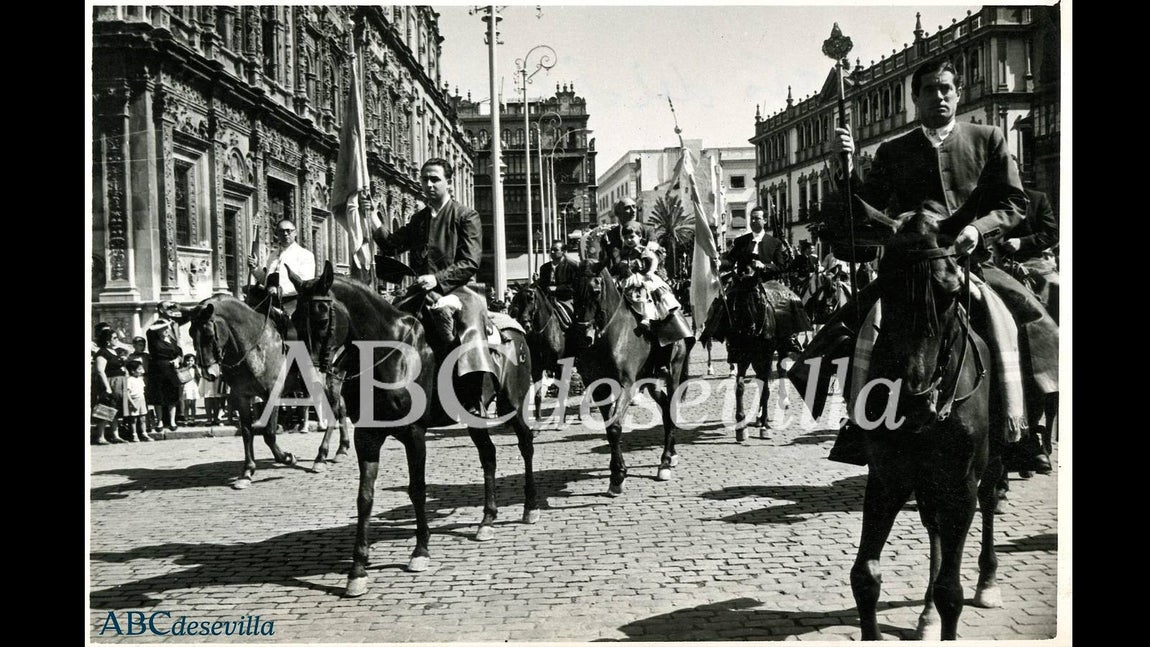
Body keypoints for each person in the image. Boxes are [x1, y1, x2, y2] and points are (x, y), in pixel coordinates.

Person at [803, 57, 1056, 471]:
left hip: (970, 260)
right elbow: (859, 210)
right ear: (915, 99)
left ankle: (1023, 431)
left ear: (957, 94)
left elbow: (1013, 203)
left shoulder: (988, 138)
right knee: (851, 328)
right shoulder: (893, 150)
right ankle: (861, 421)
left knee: (1024, 322)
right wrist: (842, 167)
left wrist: (980, 229)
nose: (938, 96)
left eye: (946, 89)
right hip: (912, 265)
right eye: (929, 90)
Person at [368, 158, 495, 418]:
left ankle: (473, 394)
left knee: (469, 328)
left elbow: (470, 262)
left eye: (435, 179)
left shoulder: (465, 216)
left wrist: (437, 279)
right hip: (421, 290)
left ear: (449, 182)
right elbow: (391, 245)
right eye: (425, 179)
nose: (428, 184)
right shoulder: (419, 219)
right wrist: (371, 215)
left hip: (459, 289)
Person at [997, 187, 1059, 322]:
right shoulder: (986, 199)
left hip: (1033, 261)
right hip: (998, 264)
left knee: (1057, 293)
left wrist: (1022, 242)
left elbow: (1052, 234)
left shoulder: (1037, 198)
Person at [617, 220, 682, 329]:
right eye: (626, 237)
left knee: (646, 295)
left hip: (643, 277)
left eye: (632, 237)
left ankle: (647, 318)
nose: (629, 240)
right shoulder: (624, 252)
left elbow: (654, 260)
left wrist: (651, 271)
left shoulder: (643, 250)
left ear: (639, 236)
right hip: (629, 278)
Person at [247, 218, 317, 316]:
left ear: (295, 232)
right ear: (277, 234)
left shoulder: (305, 255)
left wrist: (279, 290)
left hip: (293, 305)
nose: (285, 234)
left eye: (288, 231)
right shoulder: (272, 256)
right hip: (271, 302)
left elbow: (305, 284)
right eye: (281, 231)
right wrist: (255, 267)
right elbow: (266, 282)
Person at [595, 197, 657, 275]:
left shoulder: (647, 230)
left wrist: (637, 264)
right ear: (617, 213)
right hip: (619, 280)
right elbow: (604, 262)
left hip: (647, 277)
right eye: (627, 208)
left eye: (634, 206)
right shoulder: (609, 236)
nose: (633, 210)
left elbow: (658, 253)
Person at [145, 306, 184, 432]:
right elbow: (149, 331)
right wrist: (160, 323)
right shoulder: (154, 340)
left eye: (167, 328)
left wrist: (178, 359)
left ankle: (172, 421)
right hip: (158, 370)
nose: (167, 330)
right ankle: (160, 421)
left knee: (172, 397)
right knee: (159, 397)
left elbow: (179, 351)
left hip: (171, 371)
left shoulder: (171, 340)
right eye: (164, 329)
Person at [723, 206, 788, 278]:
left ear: (765, 220)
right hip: (743, 285)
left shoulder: (775, 242)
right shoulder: (741, 241)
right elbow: (730, 261)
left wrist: (764, 266)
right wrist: (719, 263)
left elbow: (781, 267)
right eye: (752, 218)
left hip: (767, 285)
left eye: (757, 218)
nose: (753, 221)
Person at [91, 324, 126, 445]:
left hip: (118, 382)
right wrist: (107, 387)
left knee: (114, 410)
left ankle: (115, 434)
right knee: (105, 409)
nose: (117, 340)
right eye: (114, 338)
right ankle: (100, 436)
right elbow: (100, 371)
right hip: (110, 382)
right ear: (107, 340)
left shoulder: (115, 351)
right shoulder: (102, 353)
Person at [537, 240, 579, 329]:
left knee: (572, 321)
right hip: (547, 301)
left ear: (563, 252)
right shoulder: (544, 268)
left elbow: (573, 287)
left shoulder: (572, 267)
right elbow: (542, 286)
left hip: (566, 300)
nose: (552, 252)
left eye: (555, 250)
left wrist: (556, 289)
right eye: (551, 250)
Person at [122, 359, 152, 442]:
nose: (142, 371)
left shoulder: (140, 379)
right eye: (139, 369)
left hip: (141, 400)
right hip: (133, 400)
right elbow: (127, 393)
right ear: (132, 371)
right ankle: (134, 435)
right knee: (133, 419)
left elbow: (142, 391)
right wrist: (132, 403)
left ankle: (144, 433)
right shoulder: (129, 380)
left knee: (143, 418)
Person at [179, 354, 202, 424]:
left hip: (193, 386)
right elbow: (180, 373)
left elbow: (200, 375)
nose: (190, 362)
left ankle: (192, 417)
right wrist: (187, 368)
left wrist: (197, 368)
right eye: (188, 361)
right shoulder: (183, 368)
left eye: (192, 360)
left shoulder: (195, 369)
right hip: (186, 386)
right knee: (186, 404)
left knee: (193, 404)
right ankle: (186, 417)